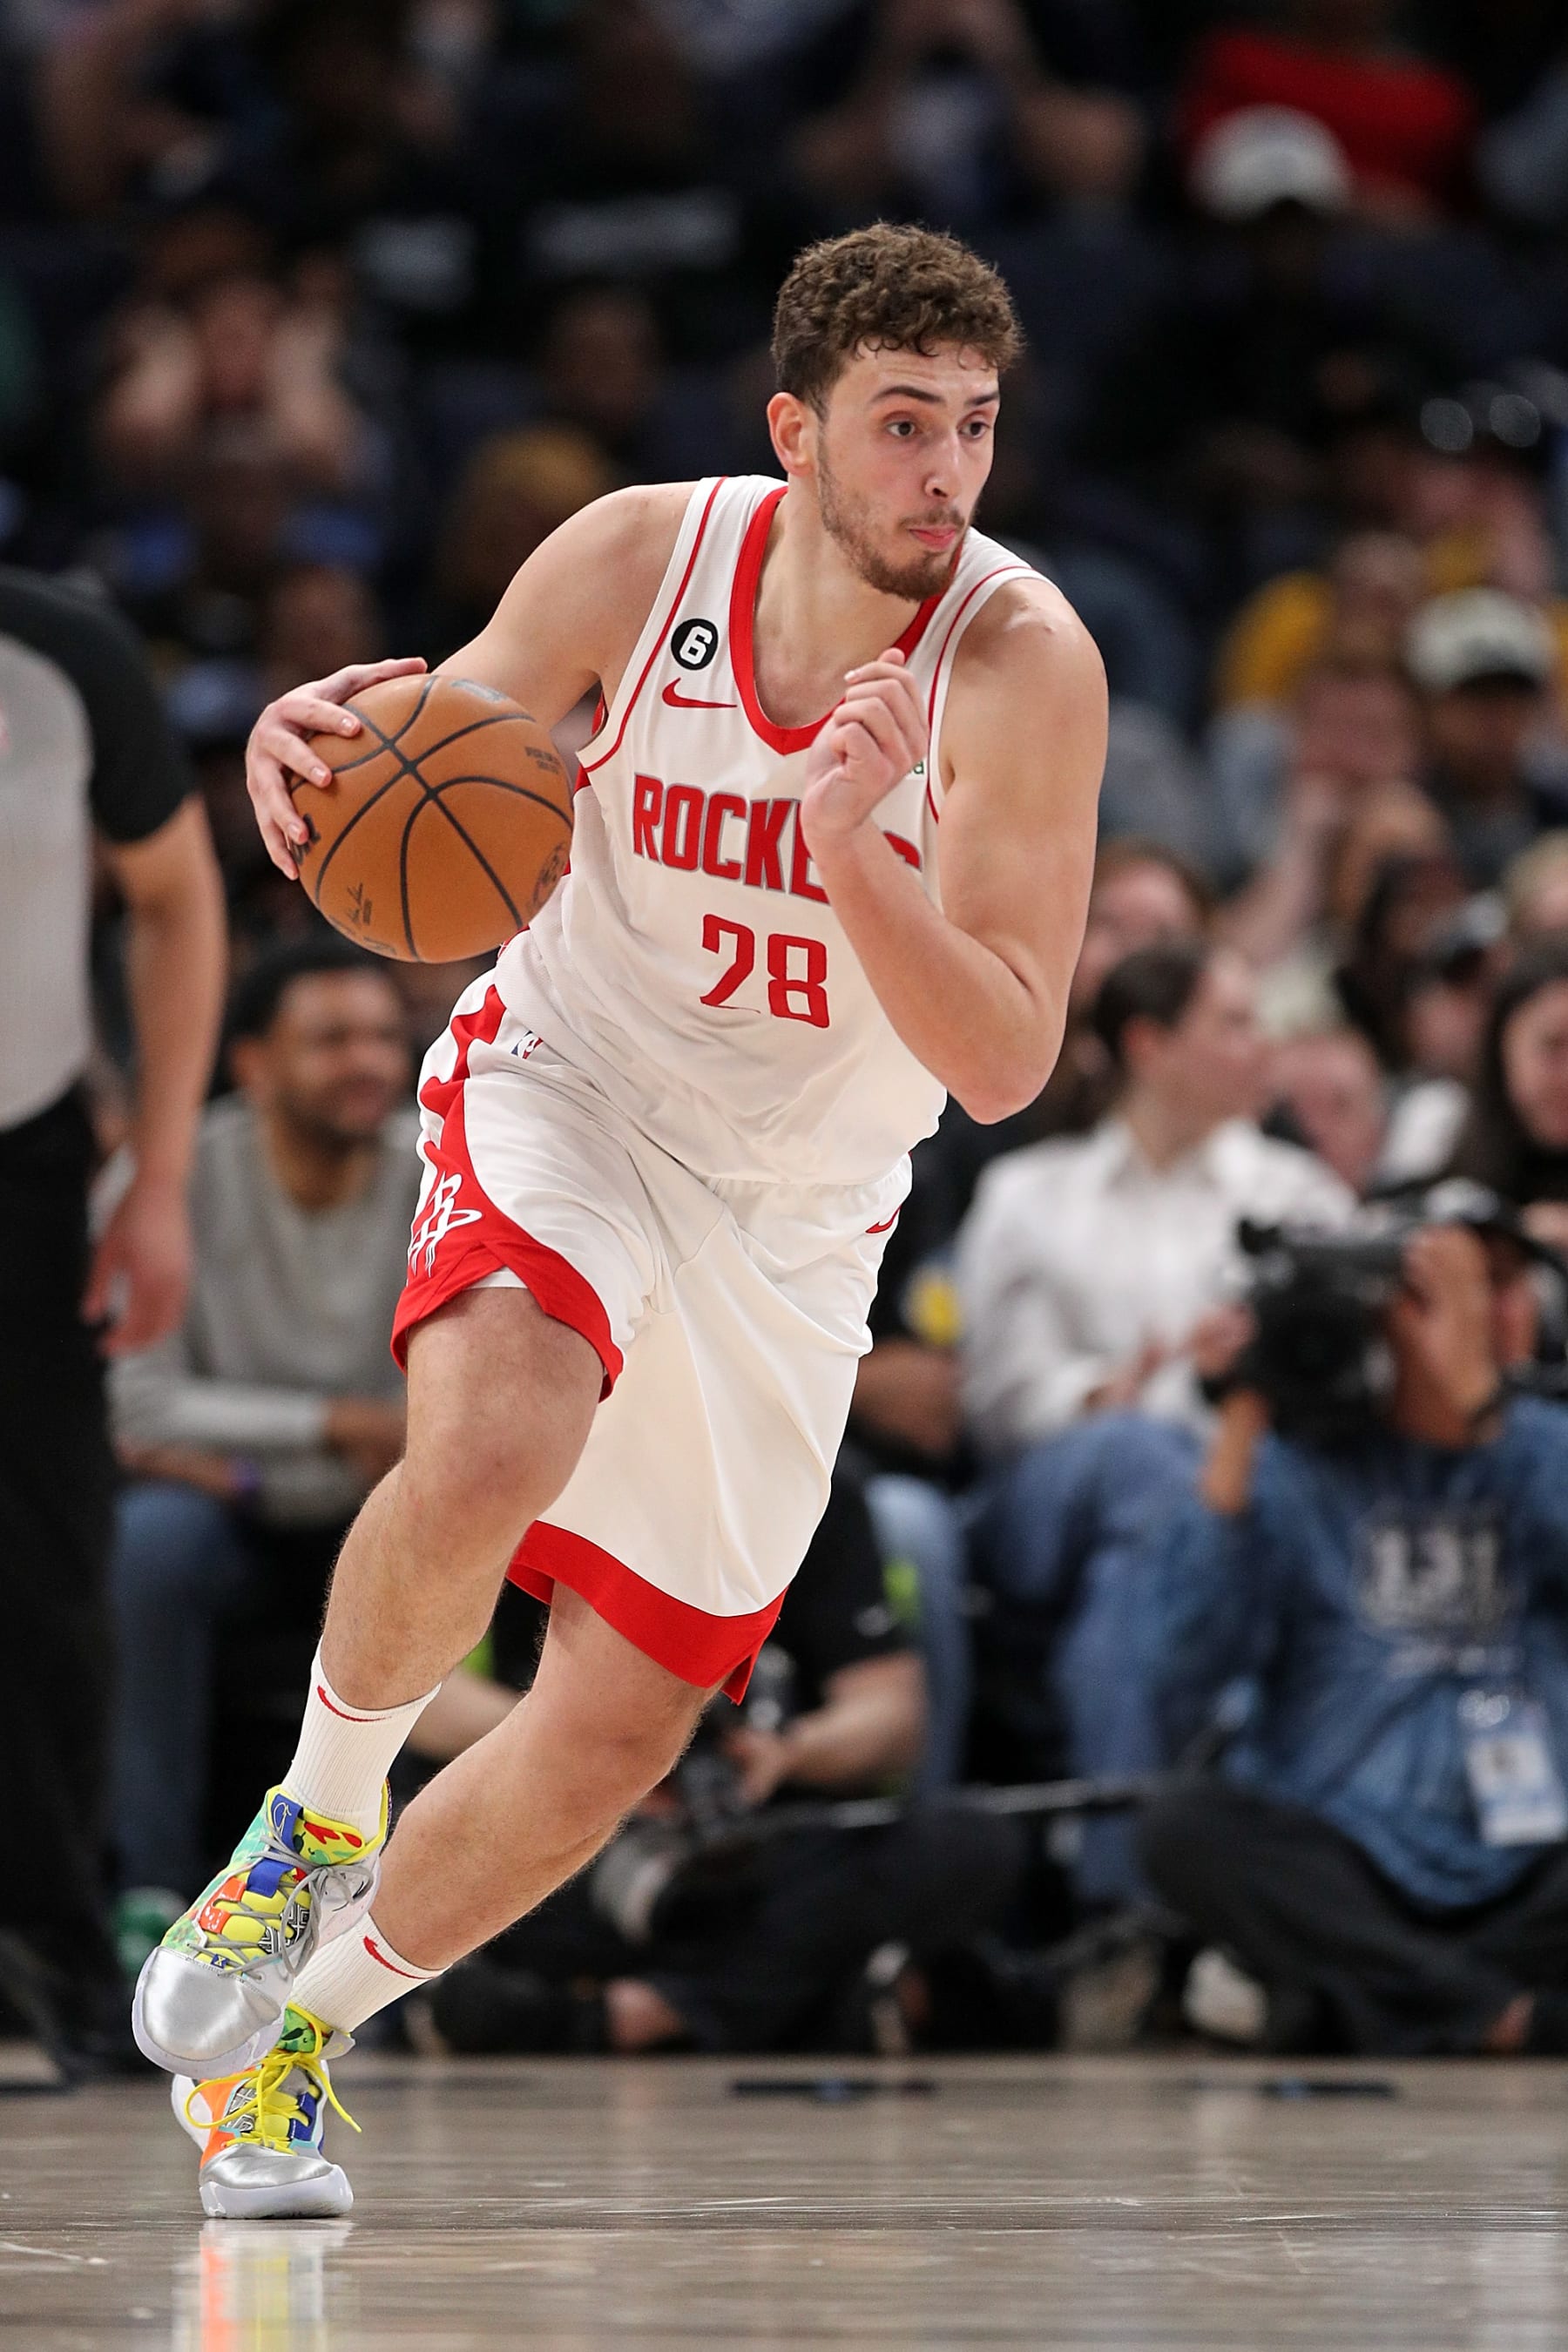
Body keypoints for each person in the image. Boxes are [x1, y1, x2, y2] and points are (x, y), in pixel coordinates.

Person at [136, 221, 1106, 2218]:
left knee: (614, 1732)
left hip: (800, 1205)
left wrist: (857, 852)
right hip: (574, 1071)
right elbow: (441, 772)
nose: (943, 471)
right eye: (900, 424)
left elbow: (1005, 1057)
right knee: (498, 1429)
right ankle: (304, 1828)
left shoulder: (1023, 666)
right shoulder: (636, 553)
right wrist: (302, 773)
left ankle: (299, 2030)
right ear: (797, 430)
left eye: (975, 428)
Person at [1141, 1214, 1568, 2058]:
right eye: (1432, 1298)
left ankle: (1364, 2000)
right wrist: (1239, 1418)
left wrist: (1482, 1401)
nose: (1472, 1317)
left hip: (1532, 1862)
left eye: (1487, 1293)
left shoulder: (1544, 1447)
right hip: (1348, 1857)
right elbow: (1181, 1672)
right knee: (1182, 1829)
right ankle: (1496, 2015)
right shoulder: (1298, 1473)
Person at [425, 1468, 1020, 2059]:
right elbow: (424, 1696)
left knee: (972, 1840)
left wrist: (788, 1753)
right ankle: (808, 2002)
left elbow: (894, 1717)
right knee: (425, 1837)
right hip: (577, 1843)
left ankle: (625, 2017)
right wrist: (588, 1745)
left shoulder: (810, 1487)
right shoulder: (547, 1472)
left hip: (766, 1843)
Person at [0, 565, 225, 2074]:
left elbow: (177, 902)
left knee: (40, 1576)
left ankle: (39, 1959)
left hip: (23, 1156)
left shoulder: (65, 652)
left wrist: (156, 1175)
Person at [108, 939, 418, 1959]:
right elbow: (141, 1401)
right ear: (252, 1064)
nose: (368, 1061)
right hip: (238, 1517)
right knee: (153, 1545)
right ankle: (146, 1887)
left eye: (382, 1035)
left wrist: (374, 1440)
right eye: (331, 1040)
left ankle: (426, 1908)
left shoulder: (445, 1167)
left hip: (394, 1513)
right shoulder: (172, 1179)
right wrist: (334, 1426)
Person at [956, 940, 1351, 1457]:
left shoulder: (1302, 1193)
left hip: (1253, 1466)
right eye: (1235, 1024)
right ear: (1149, 1045)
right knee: (1136, 1452)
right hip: (1078, 1473)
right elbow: (998, 1401)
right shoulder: (1026, 1195)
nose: (1264, 1046)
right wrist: (1112, 1392)